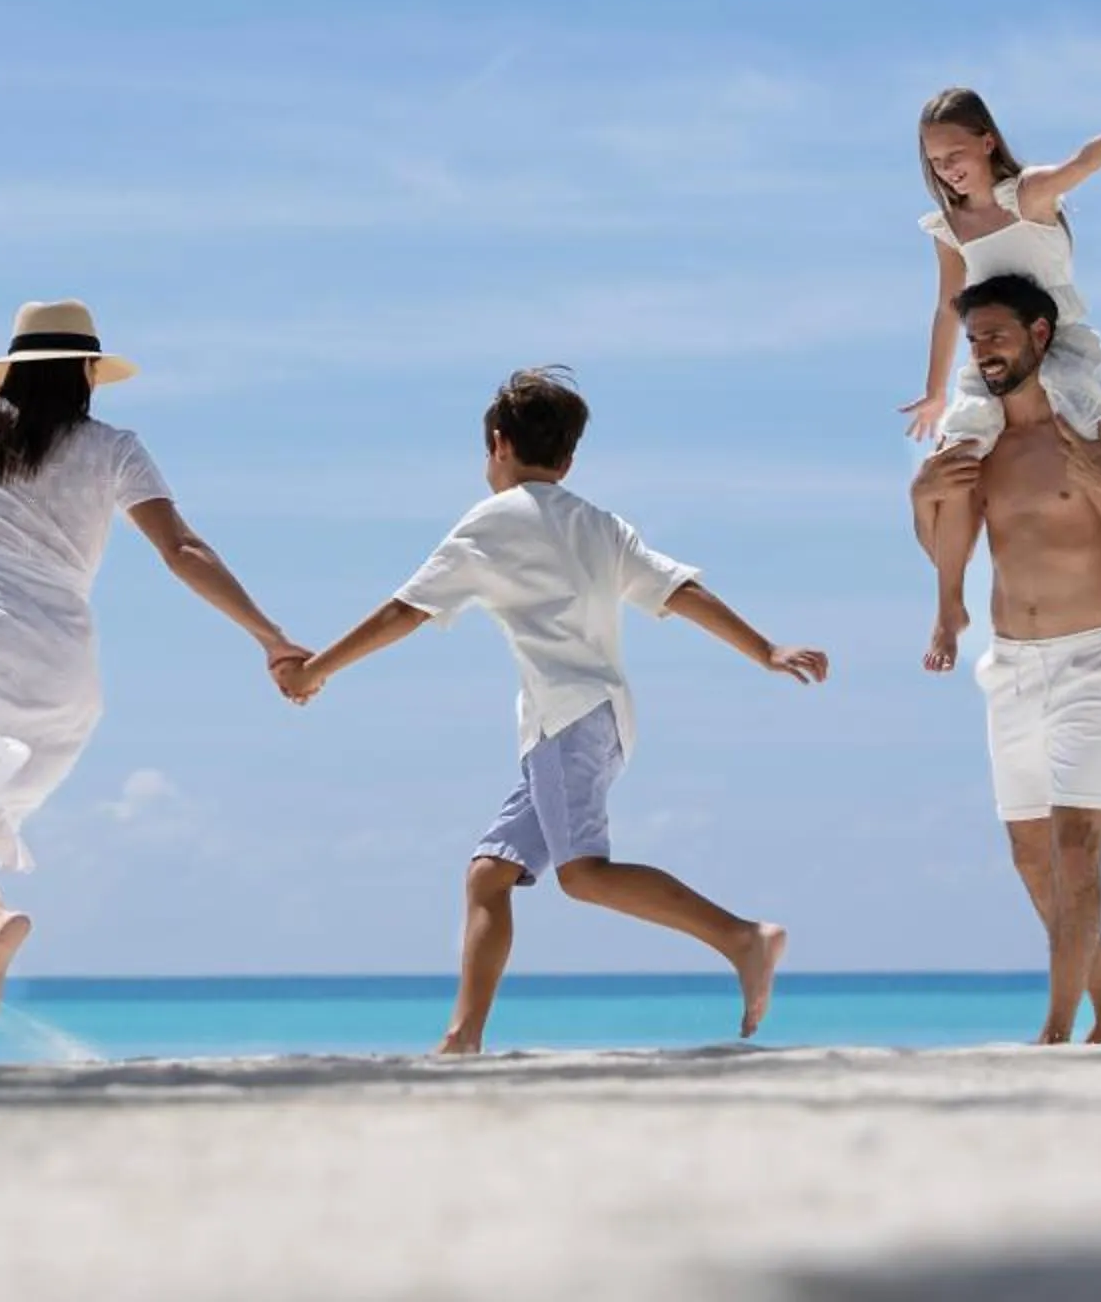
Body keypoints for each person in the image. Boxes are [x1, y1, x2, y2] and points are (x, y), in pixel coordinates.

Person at [276, 367, 826, 1055]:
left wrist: (314, 670)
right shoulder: (598, 523)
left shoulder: (491, 523)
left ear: (497, 445)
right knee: (490, 872)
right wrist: (765, 649)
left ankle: (742, 938)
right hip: (590, 724)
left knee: (583, 875)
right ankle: (462, 1038)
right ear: (567, 460)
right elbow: (677, 591)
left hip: (569, 720)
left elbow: (403, 611)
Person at [0, 299, 303, 1065]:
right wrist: (271, 639)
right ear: (91, 374)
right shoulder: (114, 449)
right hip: (62, 666)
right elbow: (181, 549)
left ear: (12, 370)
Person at [909, 273, 1101, 1046]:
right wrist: (919, 494)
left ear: (1039, 335)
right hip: (1009, 664)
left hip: (1092, 659)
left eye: (996, 334)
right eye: (973, 340)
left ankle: (1058, 1028)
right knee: (1033, 858)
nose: (984, 352)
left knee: (1076, 851)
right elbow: (946, 549)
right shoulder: (980, 445)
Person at [904, 76, 1101, 674]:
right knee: (960, 459)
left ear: (988, 142)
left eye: (956, 157)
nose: (947, 172)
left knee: (1076, 435)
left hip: (1057, 345)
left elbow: (1082, 163)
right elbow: (947, 306)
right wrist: (936, 391)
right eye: (936, 163)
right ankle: (948, 606)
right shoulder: (948, 226)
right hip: (993, 357)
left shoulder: (1029, 197)